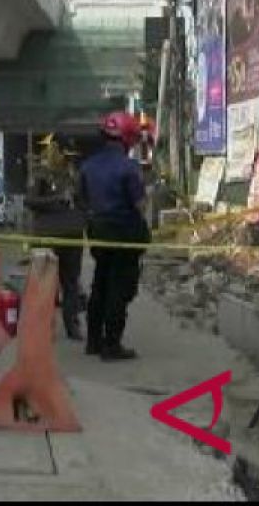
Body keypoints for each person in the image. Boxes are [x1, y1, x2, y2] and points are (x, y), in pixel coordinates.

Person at [78, 112, 149, 362]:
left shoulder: (87, 166)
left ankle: (93, 341)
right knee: (120, 288)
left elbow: (83, 200)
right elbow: (140, 205)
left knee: (100, 282)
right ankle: (112, 345)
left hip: (98, 232)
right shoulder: (129, 167)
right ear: (128, 138)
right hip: (124, 233)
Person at [24, 134, 86, 341]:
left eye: (71, 156)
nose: (68, 159)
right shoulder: (41, 173)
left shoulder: (74, 174)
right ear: (54, 150)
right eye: (65, 155)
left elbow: (84, 200)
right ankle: (43, 325)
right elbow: (30, 201)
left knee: (71, 283)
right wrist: (57, 199)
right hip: (47, 236)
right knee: (45, 284)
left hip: (72, 235)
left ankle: (72, 325)